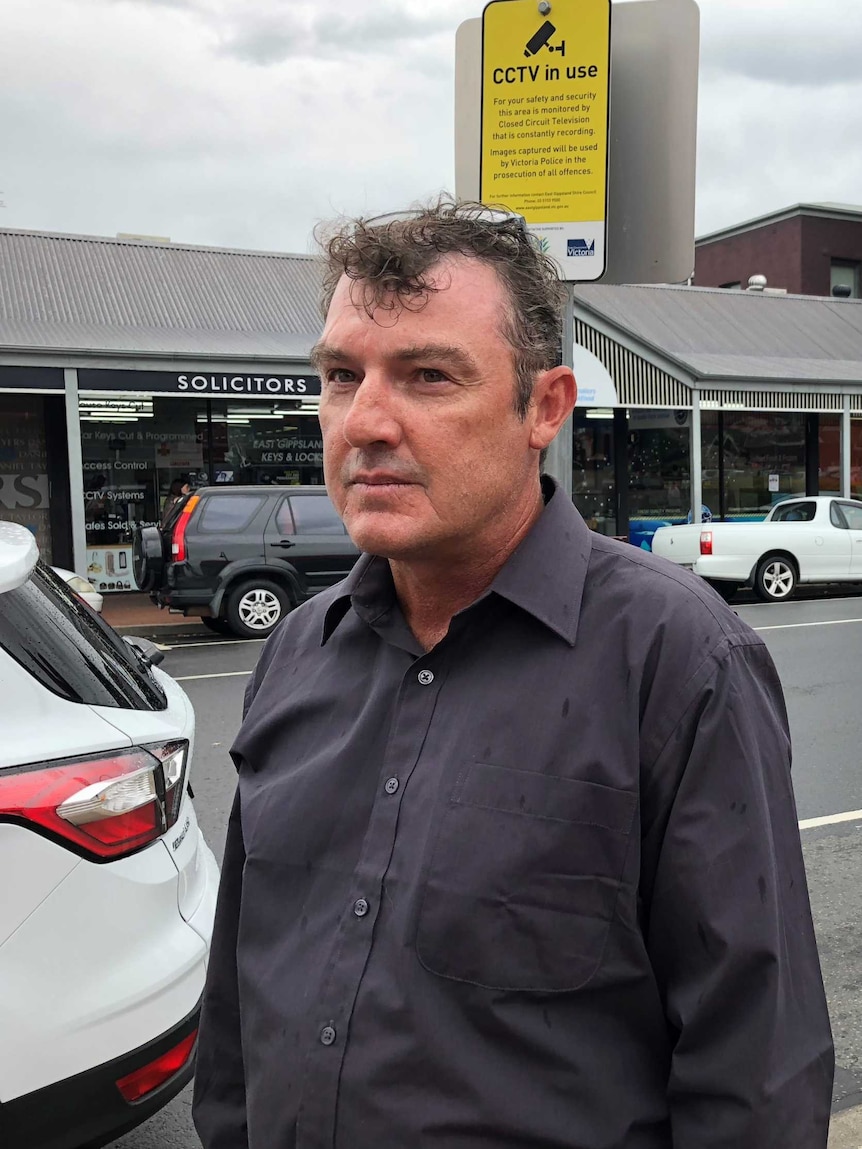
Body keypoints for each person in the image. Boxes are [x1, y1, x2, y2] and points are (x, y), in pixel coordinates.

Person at [192, 200, 833, 1149]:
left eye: (428, 376)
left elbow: (756, 1073)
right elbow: (242, 1007)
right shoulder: (296, 654)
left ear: (544, 407)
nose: (365, 420)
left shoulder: (678, 660)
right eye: (341, 376)